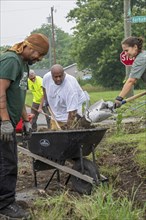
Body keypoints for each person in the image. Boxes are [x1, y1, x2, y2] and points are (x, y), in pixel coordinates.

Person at [0, 33, 49, 219]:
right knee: (7, 164)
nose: (39, 58)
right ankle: (5, 205)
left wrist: (26, 121)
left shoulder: (24, 65)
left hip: (9, 122)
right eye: (38, 53)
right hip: (2, 122)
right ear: (28, 47)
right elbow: (0, 90)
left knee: (7, 162)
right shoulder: (10, 60)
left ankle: (6, 200)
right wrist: (4, 120)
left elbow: (19, 96)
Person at [42, 64, 89, 130]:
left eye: (60, 76)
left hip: (72, 113)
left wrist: (67, 129)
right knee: (55, 134)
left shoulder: (70, 87)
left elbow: (72, 113)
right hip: (56, 113)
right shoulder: (46, 77)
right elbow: (44, 87)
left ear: (64, 74)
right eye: (55, 77)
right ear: (51, 76)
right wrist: (46, 100)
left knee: (70, 134)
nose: (58, 79)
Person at [114, 36, 146, 108]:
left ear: (135, 47)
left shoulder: (141, 59)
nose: (125, 53)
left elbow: (131, 81)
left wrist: (119, 98)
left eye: (126, 50)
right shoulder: (143, 55)